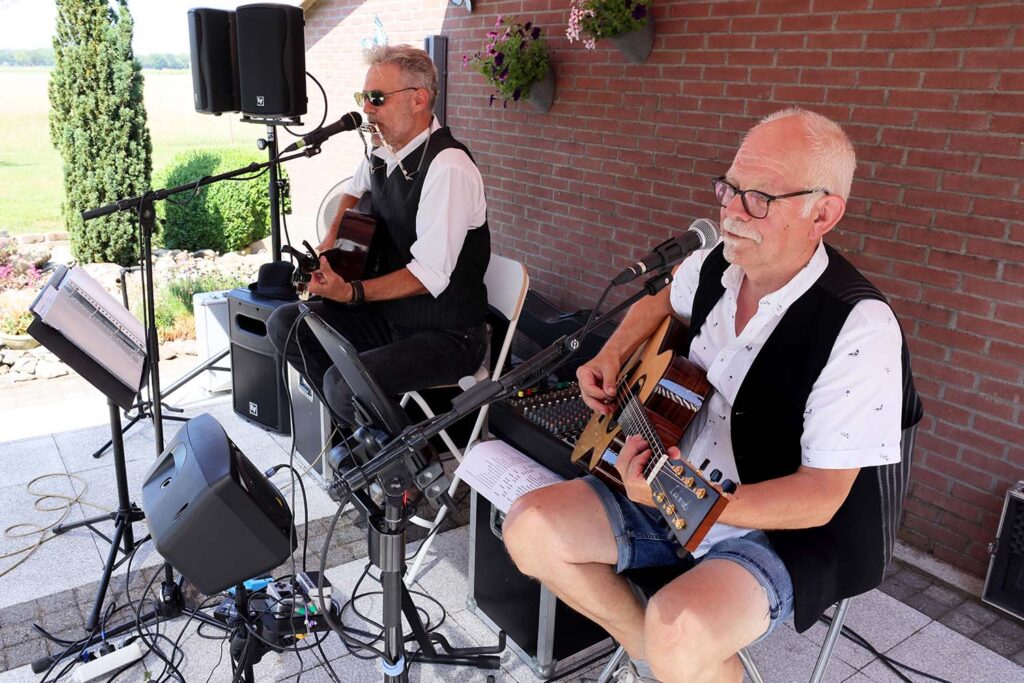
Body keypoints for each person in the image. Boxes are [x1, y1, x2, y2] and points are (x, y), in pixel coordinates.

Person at [502, 108, 922, 683]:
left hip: (778, 529)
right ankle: (650, 656)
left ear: (822, 212)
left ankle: (672, 649)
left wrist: (685, 501)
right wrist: (611, 354)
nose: (730, 210)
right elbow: (658, 302)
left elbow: (820, 498)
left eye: (759, 198)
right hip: (666, 479)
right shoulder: (715, 263)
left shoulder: (858, 326)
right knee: (528, 527)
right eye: (729, 189)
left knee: (682, 626)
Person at [268, 44, 490, 426]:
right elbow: (353, 191)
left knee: (344, 384)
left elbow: (429, 274)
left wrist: (352, 292)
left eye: (376, 98)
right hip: (392, 318)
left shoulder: (448, 167)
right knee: (286, 325)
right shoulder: (385, 151)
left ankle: (402, 466)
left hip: (447, 334)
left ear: (418, 99)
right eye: (363, 98)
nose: (366, 109)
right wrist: (330, 245)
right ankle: (366, 438)